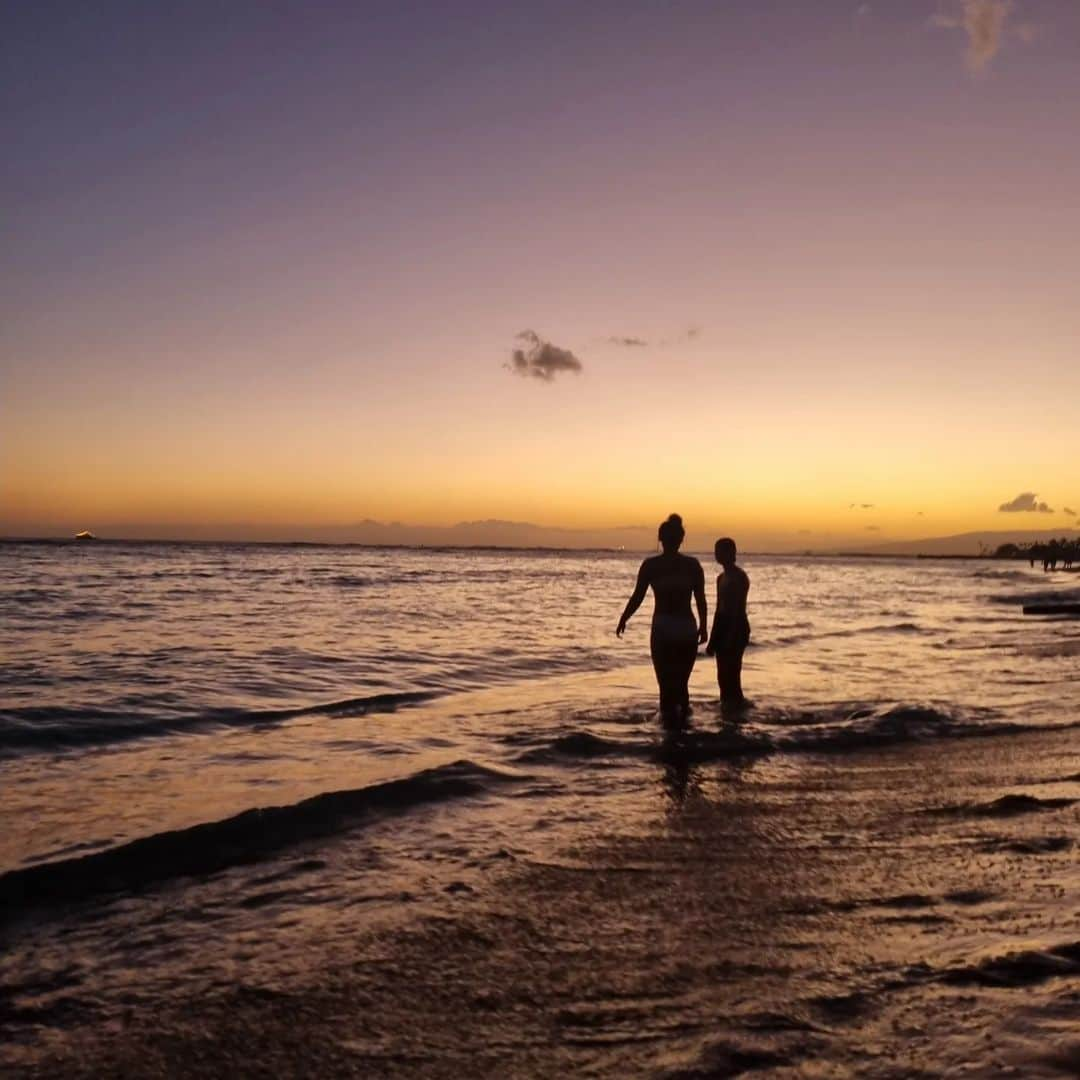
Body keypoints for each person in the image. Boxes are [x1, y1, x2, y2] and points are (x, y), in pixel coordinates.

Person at [616, 513, 707, 724]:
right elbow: (700, 599)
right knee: (682, 684)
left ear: (660, 539)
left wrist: (624, 618)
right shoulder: (693, 565)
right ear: (681, 540)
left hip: (663, 628)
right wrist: (703, 626)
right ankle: (685, 733)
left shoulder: (651, 565)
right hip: (686, 627)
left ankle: (668, 737)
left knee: (665, 685)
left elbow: (638, 596)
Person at [706, 537, 750, 710]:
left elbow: (737, 609)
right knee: (722, 675)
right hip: (723, 626)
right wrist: (713, 638)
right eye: (716, 551)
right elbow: (719, 609)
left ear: (731, 553)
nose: (717, 554)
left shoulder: (739, 577)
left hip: (737, 627)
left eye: (720, 551)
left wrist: (731, 635)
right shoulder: (720, 578)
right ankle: (727, 707)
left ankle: (736, 707)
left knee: (732, 673)